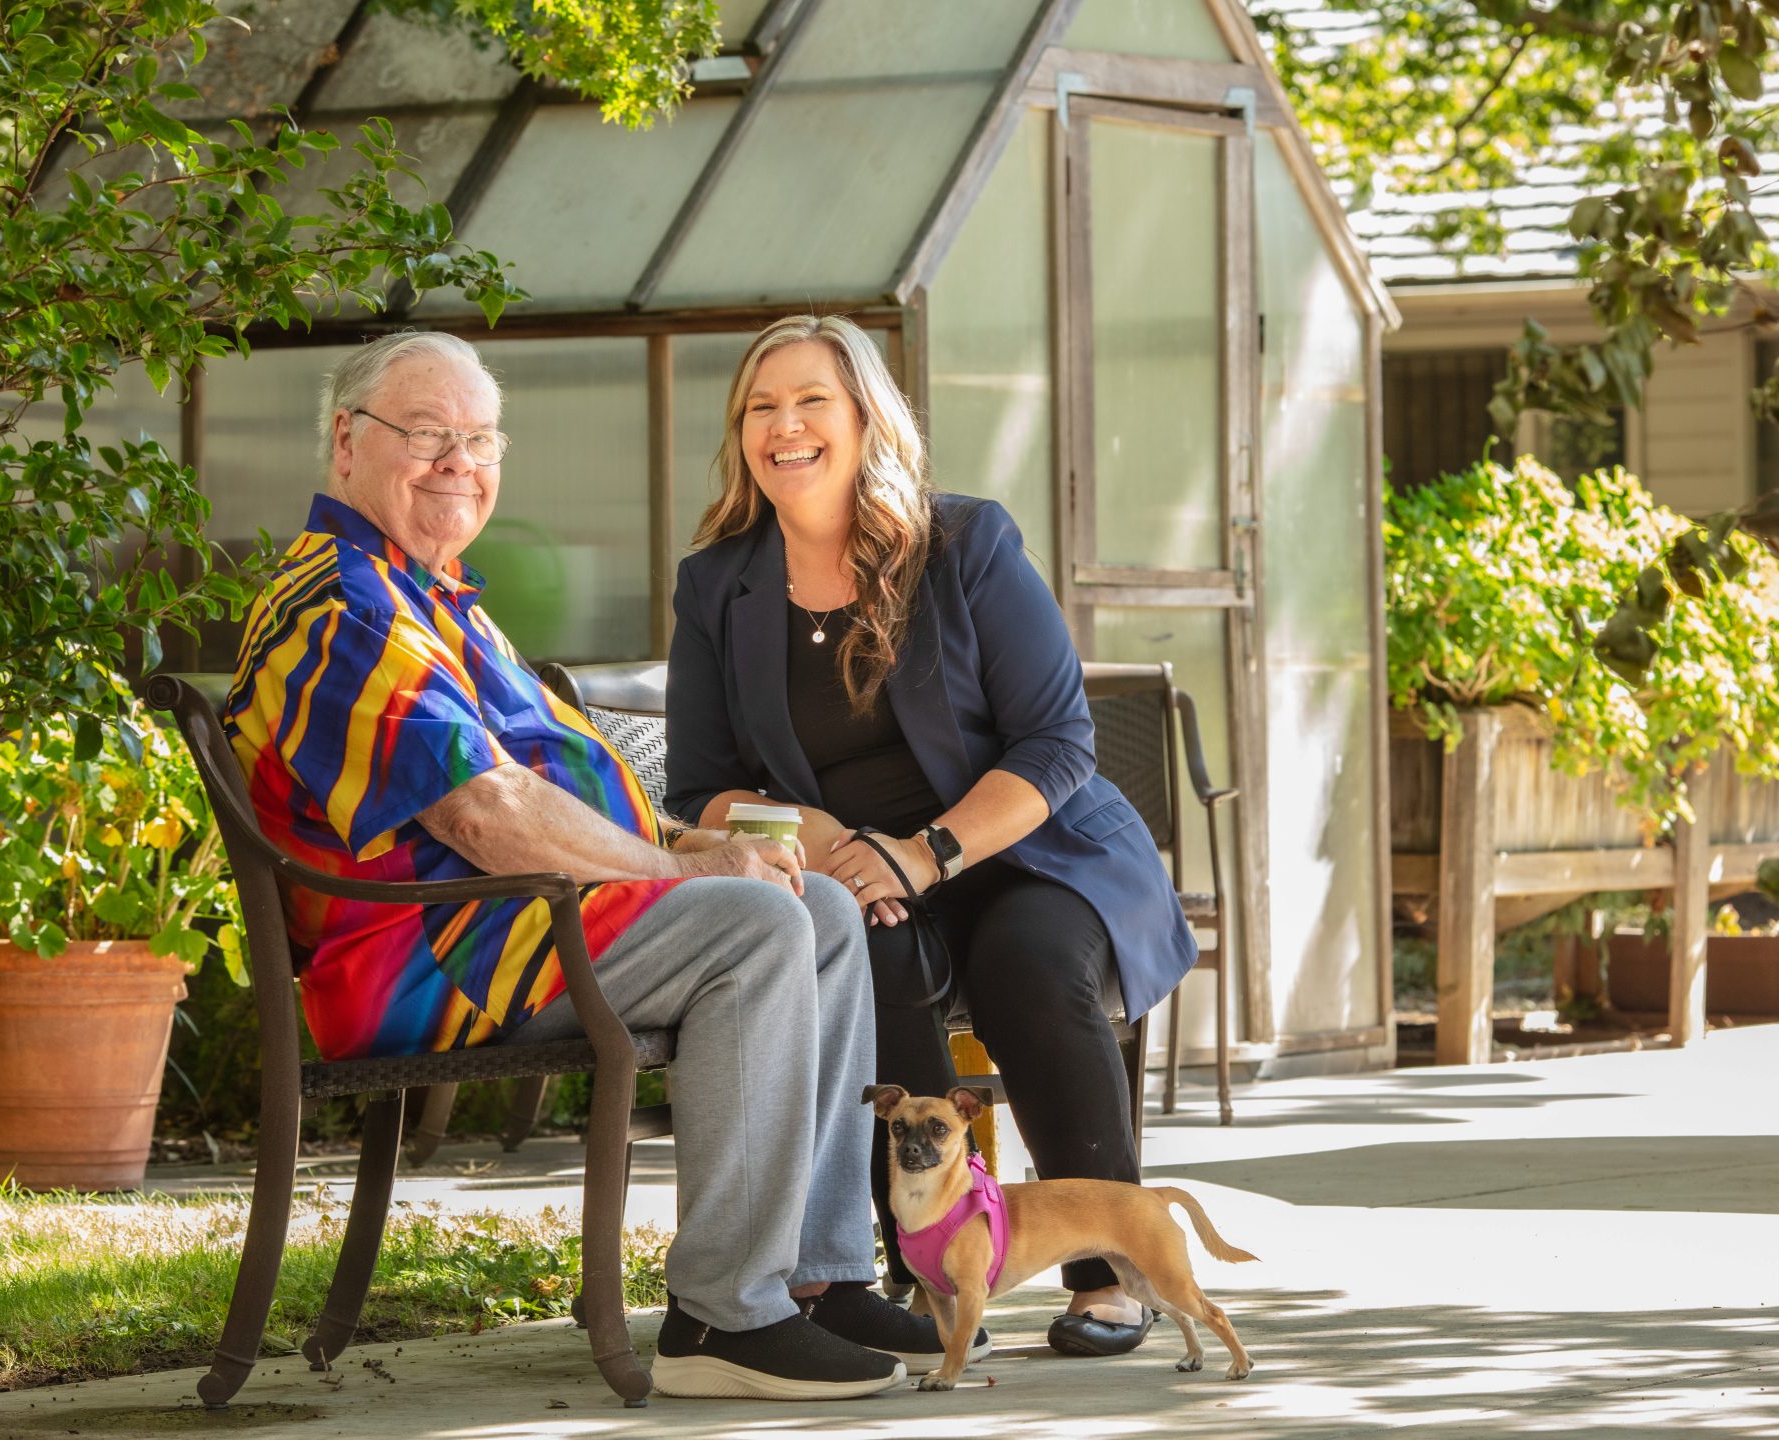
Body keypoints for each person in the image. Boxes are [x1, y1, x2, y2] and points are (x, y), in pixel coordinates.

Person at [223, 329, 955, 1400]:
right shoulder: (341, 609)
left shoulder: (437, 598)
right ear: (347, 443)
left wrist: (688, 845)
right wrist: (693, 881)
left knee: (825, 910)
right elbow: (489, 815)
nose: (457, 462)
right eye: (426, 434)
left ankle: (818, 1276)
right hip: (430, 954)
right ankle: (721, 1319)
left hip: (511, 923)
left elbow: (550, 793)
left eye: (479, 440)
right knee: (756, 927)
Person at [666, 314, 1198, 1357]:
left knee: (1027, 967)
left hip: (1029, 849)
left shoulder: (967, 544)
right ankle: (926, 1280)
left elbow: (1058, 741)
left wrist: (928, 851)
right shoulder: (715, 586)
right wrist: (815, 836)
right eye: (760, 407)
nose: (785, 426)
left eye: (811, 400)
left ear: (867, 416)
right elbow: (701, 790)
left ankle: (1112, 1271)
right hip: (858, 869)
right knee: (866, 947)